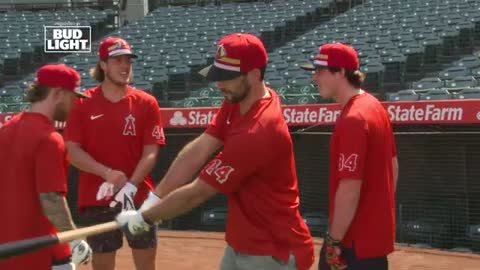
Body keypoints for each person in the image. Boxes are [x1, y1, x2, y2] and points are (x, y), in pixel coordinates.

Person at [116, 33, 315, 270]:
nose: (219, 84)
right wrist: (153, 199)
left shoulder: (257, 131)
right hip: (242, 243)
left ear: (253, 75)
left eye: (227, 77)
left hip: (274, 251)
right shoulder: (238, 100)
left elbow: (198, 192)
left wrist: (146, 218)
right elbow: (199, 149)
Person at [63, 36, 165, 270]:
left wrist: (131, 185)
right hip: (97, 200)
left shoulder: (146, 103)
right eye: (117, 60)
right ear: (103, 65)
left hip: (138, 199)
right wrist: (106, 173)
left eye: (128, 60)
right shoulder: (82, 103)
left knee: (146, 264)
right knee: (102, 266)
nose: (125, 66)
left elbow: (151, 151)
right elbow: (73, 151)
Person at [300, 43, 398, 270]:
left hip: (351, 244)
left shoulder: (354, 118)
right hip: (372, 241)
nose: (315, 78)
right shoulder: (374, 106)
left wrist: (334, 241)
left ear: (341, 72)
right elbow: (393, 166)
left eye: (320, 72)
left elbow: (349, 188)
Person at [0, 64, 92, 270]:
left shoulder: (5, 130)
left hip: (6, 251)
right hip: (41, 252)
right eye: (73, 96)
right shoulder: (49, 139)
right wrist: (75, 238)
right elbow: (51, 200)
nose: (75, 103)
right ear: (58, 93)